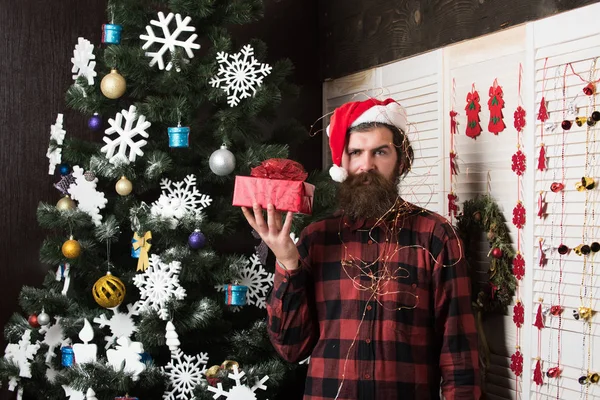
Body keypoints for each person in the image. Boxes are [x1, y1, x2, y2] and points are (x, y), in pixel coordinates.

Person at [242, 98, 480, 400]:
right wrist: (288, 261)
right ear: (343, 163)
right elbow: (291, 348)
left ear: (401, 160)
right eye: (356, 153)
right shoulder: (317, 239)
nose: (366, 165)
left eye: (380, 152)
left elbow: (458, 352)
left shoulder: (435, 235)